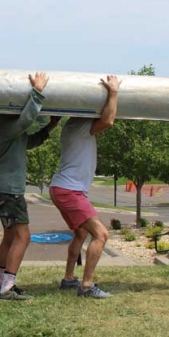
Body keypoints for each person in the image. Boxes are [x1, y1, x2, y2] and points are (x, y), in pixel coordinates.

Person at [49, 75, 121, 299]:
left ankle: (69, 279)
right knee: (101, 235)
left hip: (65, 188)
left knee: (80, 233)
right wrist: (114, 93)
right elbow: (108, 121)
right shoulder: (81, 125)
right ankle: (87, 286)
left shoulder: (73, 125)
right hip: (69, 190)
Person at [0, 72, 60, 300]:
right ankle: (7, 287)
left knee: (10, 235)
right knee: (24, 236)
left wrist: (50, 127)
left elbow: (29, 142)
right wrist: (37, 92)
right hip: (9, 188)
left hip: (5, 185)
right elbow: (27, 119)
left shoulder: (10, 130)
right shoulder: (5, 126)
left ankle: (1, 282)